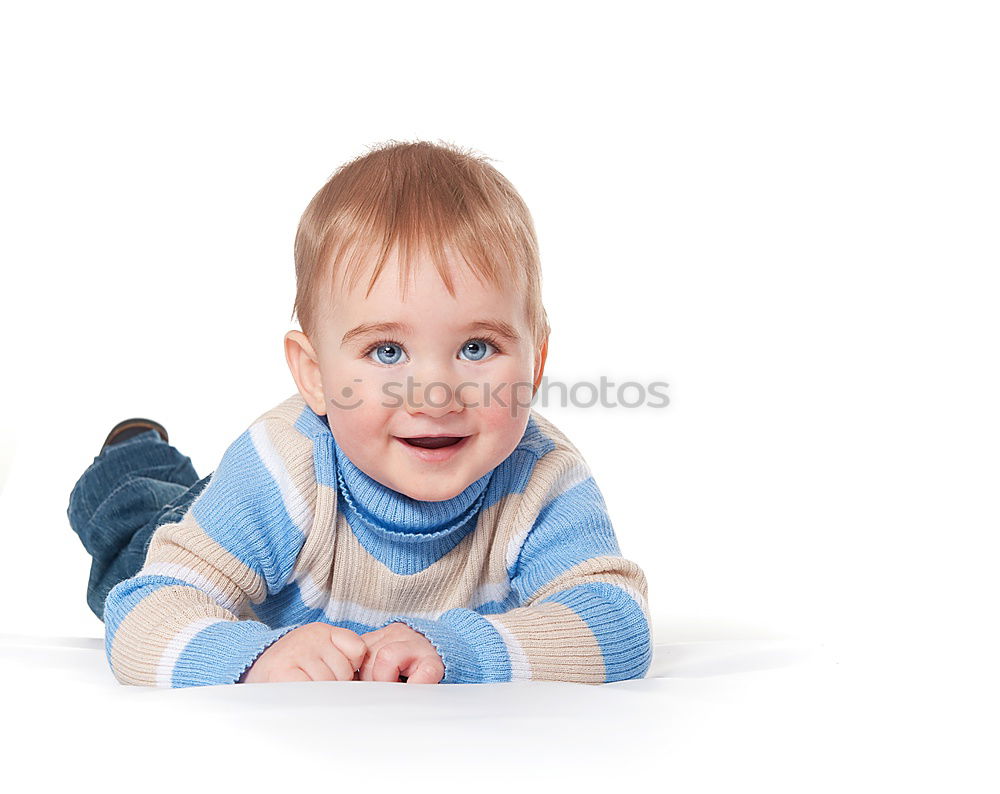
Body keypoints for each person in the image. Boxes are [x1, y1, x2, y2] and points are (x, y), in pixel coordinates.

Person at [67, 139, 653, 687]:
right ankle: (132, 454)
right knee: (135, 529)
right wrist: (256, 659)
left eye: (477, 348)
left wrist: (459, 648)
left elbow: (616, 621)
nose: (435, 395)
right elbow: (145, 613)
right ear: (316, 376)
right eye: (387, 352)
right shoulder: (281, 470)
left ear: (536, 361)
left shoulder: (541, 475)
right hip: (220, 520)